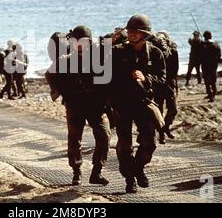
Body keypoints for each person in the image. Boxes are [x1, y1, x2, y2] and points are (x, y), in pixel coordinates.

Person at [46, 25, 111, 187]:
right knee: (74, 139)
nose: (80, 45)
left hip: (96, 106)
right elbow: (49, 74)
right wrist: (57, 90)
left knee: (104, 136)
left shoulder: (99, 59)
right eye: (76, 41)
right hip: (75, 106)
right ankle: (77, 172)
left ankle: (97, 172)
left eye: (83, 41)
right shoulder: (64, 61)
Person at [110, 14, 166, 193]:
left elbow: (162, 78)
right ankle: (129, 179)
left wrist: (146, 78)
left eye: (136, 31)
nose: (132, 34)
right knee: (124, 144)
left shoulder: (155, 53)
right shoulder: (117, 51)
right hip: (123, 103)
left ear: (145, 34)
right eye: (130, 31)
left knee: (150, 143)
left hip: (144, 103)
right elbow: (99, 67)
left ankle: (138, 168)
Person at [153, 31, 179, 144]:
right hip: (158, 85)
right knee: (159, 110)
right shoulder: (154, 52)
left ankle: (166, 127)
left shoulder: (173, 52)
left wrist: (172, 84)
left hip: (170, 84)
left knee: (173, 109)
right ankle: (162, 134)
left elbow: (175, 70)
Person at [201, 31, 221, 102]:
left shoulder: (202, 44)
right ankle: (214, 92)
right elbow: (219, 54)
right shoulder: (216, 44)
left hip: (205, 64)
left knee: (206, 79)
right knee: (213, 78)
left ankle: (210, 93)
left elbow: (199, 54)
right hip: (214, 63)